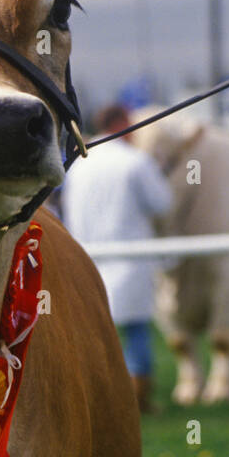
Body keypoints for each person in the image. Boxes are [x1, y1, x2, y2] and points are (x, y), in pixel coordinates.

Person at [60, 103, 172, 413]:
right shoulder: (136, 162)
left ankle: (98, 400)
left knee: (93, 335)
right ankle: (139, 401)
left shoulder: (81, 164)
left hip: (87, 257)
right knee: (135, 332)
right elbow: (163, 203)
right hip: (130, 257)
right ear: (123, 123)